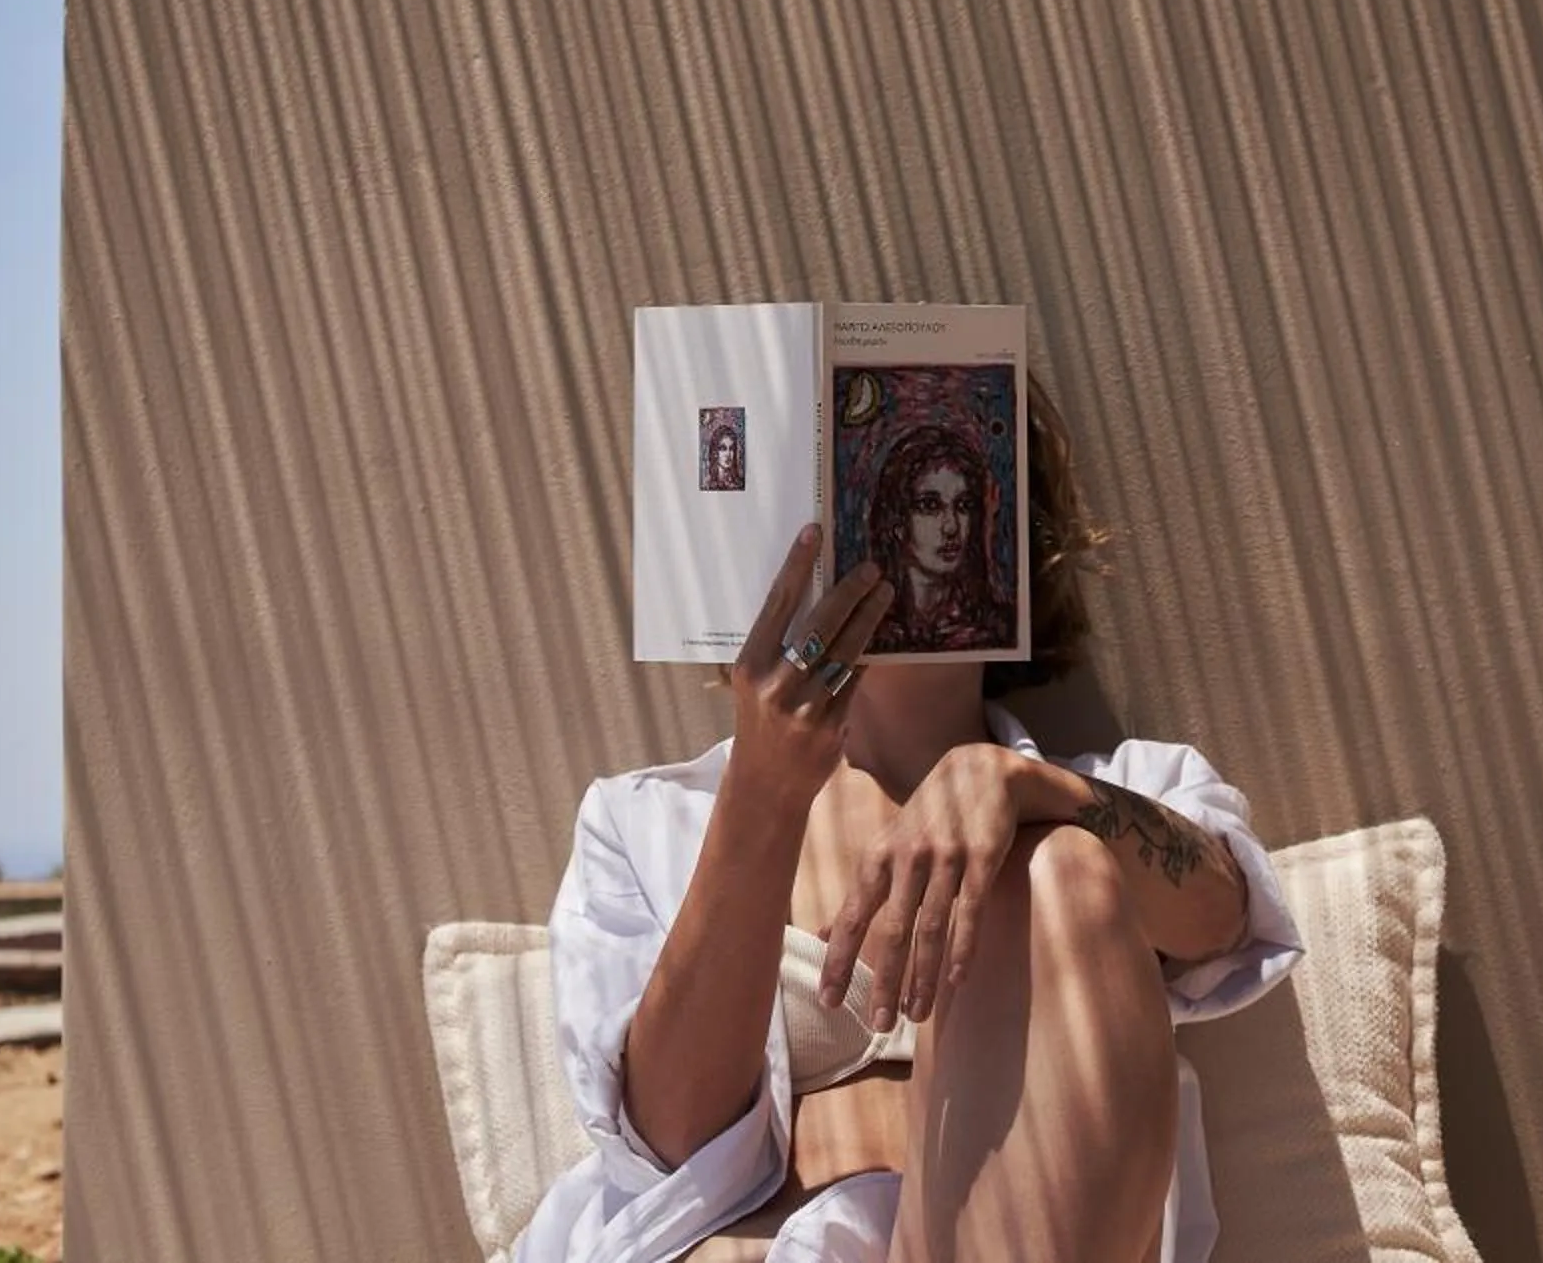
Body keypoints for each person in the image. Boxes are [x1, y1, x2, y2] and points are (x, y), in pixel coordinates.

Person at [521, 387, 1302, 1262]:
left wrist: (1028, 789)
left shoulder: (1114, 789)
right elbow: (670, 1142)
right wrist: (762, 801)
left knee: (1061, 871)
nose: (945, 532)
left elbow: (1224, 915)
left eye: (969, 502)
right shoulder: (644, 822)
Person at [860, 423, 1009, 654]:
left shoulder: (993, 628)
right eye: (930, 505)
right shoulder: (870, 629)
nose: (951, 527)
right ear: (898, 523)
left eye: (963, 506)